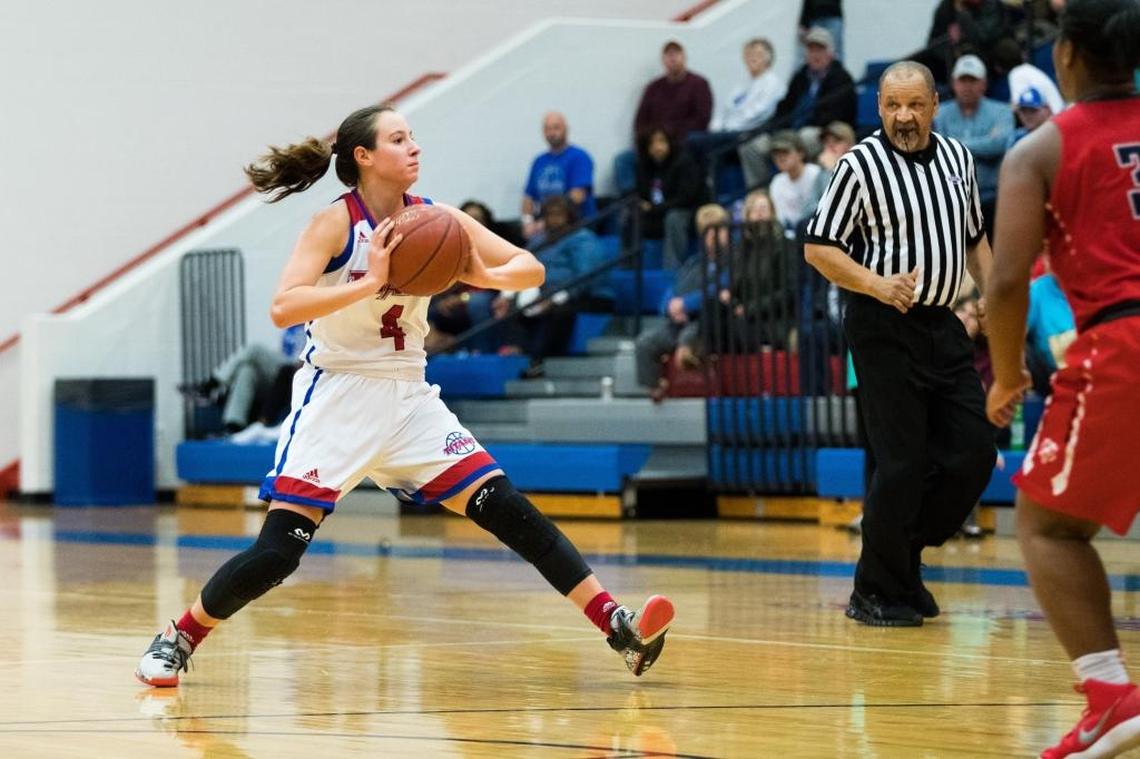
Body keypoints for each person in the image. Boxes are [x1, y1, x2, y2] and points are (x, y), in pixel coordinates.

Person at [135, 104, 674, 688]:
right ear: (364, 157)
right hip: (338, 395)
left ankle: (618, 627)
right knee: (279, 554)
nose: (414, 147)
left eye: (413, 137)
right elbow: (283, 306)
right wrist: (369, 282)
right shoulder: (336, 223)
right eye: (398, 139)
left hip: (409, 396)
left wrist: (471, 272)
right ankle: (179, 637)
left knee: (508, 508)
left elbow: (531, 269)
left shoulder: (434, 219)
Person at [984, 2, 1140, 755]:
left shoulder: (1039, 150)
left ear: (1067, 54)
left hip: (1123, 339)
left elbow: (1008, 279)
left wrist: (1007, 375)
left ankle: (1110, 692)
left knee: (1046, 524)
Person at [804, 61, 997, 627]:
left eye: (915, 105)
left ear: (935, 105)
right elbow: (819, 248)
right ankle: (876, 590)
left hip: (945, 325)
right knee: (901, 464)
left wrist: (997, 301)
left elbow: (975, 242)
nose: (904, 117)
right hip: (882, 325)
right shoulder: (860, 165)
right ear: (880, 108)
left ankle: (899, 556)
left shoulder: (959, 159)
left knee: (974, 453)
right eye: (893, 106)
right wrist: (877, 284)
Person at [738, 27, 857, 189]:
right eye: (811, 49)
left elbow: (840, 115)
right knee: (751, 145)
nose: (815, 54)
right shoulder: (800, 77)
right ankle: (760, 195)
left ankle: (806, 189)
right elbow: (784, 108)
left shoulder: (842, 78)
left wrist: (809, 121)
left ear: (830, 53)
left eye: (820, 49)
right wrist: (775, 128)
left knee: (806, 136)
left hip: (822, 132)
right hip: (790, 131)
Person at [634, 203, 731, 401]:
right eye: (706, 232)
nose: (712, 237)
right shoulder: (693, 263)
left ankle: (696, 384)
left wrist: (686, 304)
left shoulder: (734, 261)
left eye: (717, 230)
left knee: (689, 337)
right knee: (645, 342)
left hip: (706, 322)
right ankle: (655, 387)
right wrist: (669, 306)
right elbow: (672, 290)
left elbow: (721, 289)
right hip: (678, 322)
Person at [615, 40, 713, 194]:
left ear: (684, 57)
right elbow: (640, 121)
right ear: (663, 60)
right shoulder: (654, 87)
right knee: (622, 160)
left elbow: (702, 119)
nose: (672, 59)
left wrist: (669, 140)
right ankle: (634, 202)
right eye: (668, 56)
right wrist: (651, 141)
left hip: (681, 143)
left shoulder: (698, 84)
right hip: (652, 144)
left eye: (676, 55)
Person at [933, 54, 1015, 229]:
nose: (967, 86)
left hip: (991, 195)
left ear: (984, 84)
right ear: (954, 83)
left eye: (973, 81)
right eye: (963, 81)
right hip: (951, 197)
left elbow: (999, 144)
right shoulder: (940, 114)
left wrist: (955, 143)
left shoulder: (1002, 111)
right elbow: (937, 149)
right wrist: (984, 142)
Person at [635, 127, 705, 269]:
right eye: (652, 143)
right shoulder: (644, 166)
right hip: (658, 212)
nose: (657, 147)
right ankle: (629, 266)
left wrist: (653, 208)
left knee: (674, 217)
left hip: (687, 211)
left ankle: (672, 268)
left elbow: (686, 198)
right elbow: (641, 194)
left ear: (669, 143)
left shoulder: (683, 162)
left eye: (661, 141)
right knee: (628, 214)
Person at [521, 112, 596, 241]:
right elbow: (528, 198)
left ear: (566, 129)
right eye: (547, 129)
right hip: (544, 228)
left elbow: (578, 196)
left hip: (575, 225)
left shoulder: (579, 157)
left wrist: (548, 221)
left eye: (556, 128)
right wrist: (527, 222)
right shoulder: (539, 161)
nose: (552, 132)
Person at [767, 130, 823, 230]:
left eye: (785, 152)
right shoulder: (776, 182)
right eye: (776, 154)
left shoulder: (816, 174)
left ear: (801, 153)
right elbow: (781, 220)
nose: (780, 157)